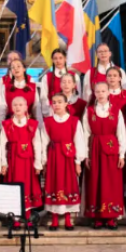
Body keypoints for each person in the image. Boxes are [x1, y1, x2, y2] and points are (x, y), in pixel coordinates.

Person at [82, 81, 126, 230]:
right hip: (95, 148)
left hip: (111, 149)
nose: (100, 94)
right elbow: (85, 134)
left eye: (103, 91)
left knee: (111, 182)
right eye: (97, 91)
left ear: (109, 92)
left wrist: (121, 155)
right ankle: (97, 217)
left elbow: (121, 133)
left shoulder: (116, 111)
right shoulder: (89, 111)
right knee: (95, 181)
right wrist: (86, 155)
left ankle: (111, 217)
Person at [42, 93, 86, 231]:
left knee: (69, 184)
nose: (56, 104)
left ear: (66, 104)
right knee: (54, 184)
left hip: (68, 157)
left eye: (59, 102)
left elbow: (79, 141)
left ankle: (68, 219)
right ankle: (54, 219)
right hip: (54, 156)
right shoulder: (47, 121)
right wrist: (44, 162)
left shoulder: (74, 121)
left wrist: (78, 161)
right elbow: (43, 142)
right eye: (54, 102)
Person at [0, 96, 43, 228]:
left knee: (28, 186)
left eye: (20, 105)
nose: (18, 107)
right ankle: (15, 218)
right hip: (13, 161)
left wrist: (38, 163)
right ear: (11, 108)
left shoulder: (33, 124)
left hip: (28, 163)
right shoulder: (6, 124)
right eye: (15, 105)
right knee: (14, 186)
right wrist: (3, 163)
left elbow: (37, 144)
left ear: (26, 107)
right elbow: (1, 145)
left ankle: (28, 217)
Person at [40, 49, 82, 117]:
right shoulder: (47, 77)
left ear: (65, 59)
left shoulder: (75, 76)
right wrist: (47, 113)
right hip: (53, 112)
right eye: (55, 58)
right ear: (52, 60)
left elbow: (79, 95)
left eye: (60, 58)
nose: (58, 61)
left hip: (73, 113)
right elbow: (44, 97)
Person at [0, 59, 41, 123]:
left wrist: (39, 125)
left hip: (28, 123)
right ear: (11, 71)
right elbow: (2, 108)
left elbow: (36, 108)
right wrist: (0, 126)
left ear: (24, 69)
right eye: (13, 67)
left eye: (18, 66)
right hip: (10, 123)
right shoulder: (5, 87)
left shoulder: (32, 87)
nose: (16, 69)